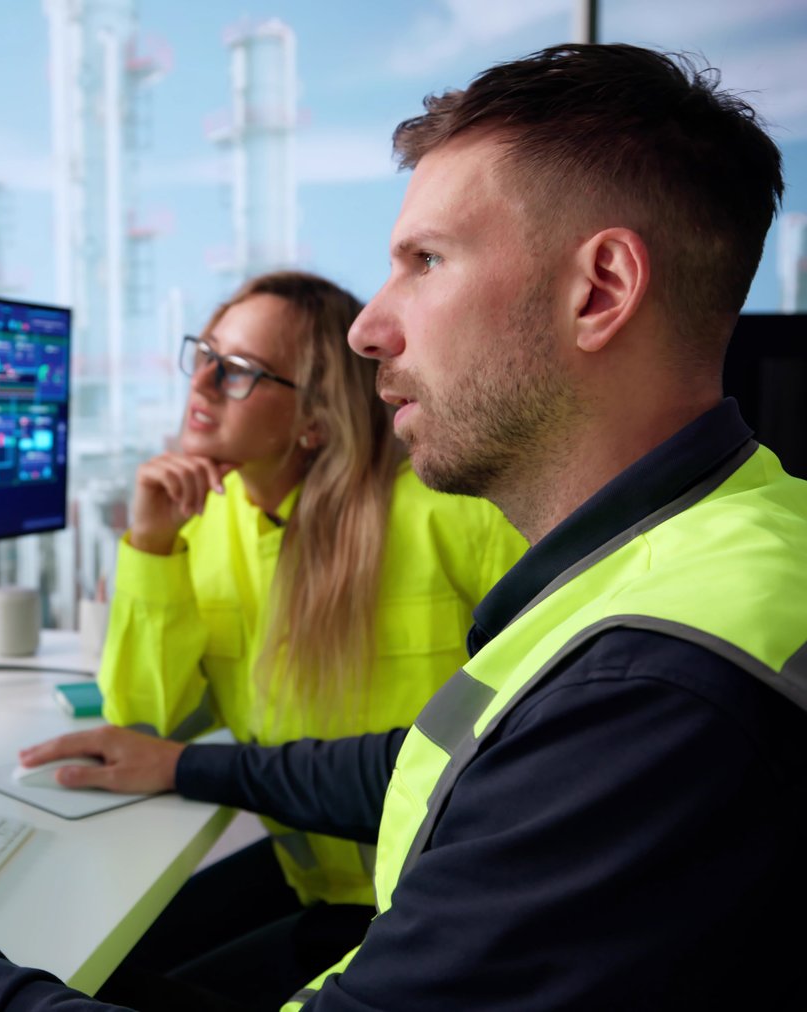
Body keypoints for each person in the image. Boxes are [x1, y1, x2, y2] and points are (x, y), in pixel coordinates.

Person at [0, 44, 807, 1011]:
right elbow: (451, 753)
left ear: (600, 289)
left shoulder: (661, 692)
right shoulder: (728, 534)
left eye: (425, 262)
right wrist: (190, 765)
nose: (367, 327)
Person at [92, 270, 524, 1008]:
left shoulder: (456, 516)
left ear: (314, 421)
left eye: (237, 370)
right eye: (204, 354)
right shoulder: (205, 521)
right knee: (91, 969)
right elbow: (143, 724)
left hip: (439, 903)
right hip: (315, 884)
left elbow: (521, 753)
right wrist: (151, 544)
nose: (200, 384)